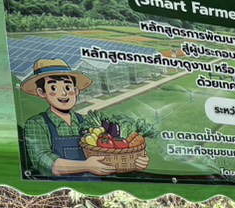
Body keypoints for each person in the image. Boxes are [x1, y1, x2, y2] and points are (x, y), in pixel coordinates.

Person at [19, 58, 149, 179]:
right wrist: (86, 166)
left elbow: (108, 155)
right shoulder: (37, 123)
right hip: (60, 189)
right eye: (54, 88)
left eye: (68, 87)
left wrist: (135, 162)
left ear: (76, 91)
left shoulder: (87, 122)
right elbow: (42, 160)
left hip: (95, 184)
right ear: (42, 93)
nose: (63, 93)